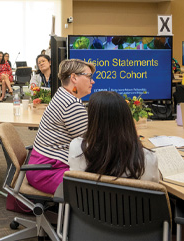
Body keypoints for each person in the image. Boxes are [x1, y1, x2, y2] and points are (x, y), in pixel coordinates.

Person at [26, 59, 95, 194]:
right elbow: (93, 144)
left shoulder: (62, 95)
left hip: (40, 166)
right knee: (103, 182)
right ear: (74, 77)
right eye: (89, 77)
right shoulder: (72, 105)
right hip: (48, 173)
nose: (92, 81)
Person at [68, 91, 160, 182]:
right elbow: (154, 189)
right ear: (127, 120)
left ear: (93, 121)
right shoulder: (148, 159)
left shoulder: (77, 148)